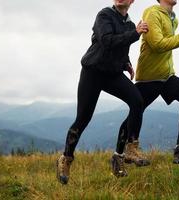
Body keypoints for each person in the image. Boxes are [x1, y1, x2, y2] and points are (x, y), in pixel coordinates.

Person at [56, 0, 148, 184]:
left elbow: (121, 49)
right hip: (93, 72)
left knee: (137, 101)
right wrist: (135, 34)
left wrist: (126, 63)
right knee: (83, 118)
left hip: (112, 74)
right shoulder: (104, 15)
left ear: (131, 1)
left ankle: (128, 150)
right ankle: (65, 158)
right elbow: (107, 41)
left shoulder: (129, 24)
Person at [118, 0, 179, 166]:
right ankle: (119, 154)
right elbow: (158, 44)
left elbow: (167, 46)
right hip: (150, 76)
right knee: (135, 113)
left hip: (167, 75)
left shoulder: (173, 18)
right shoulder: (152, 13)